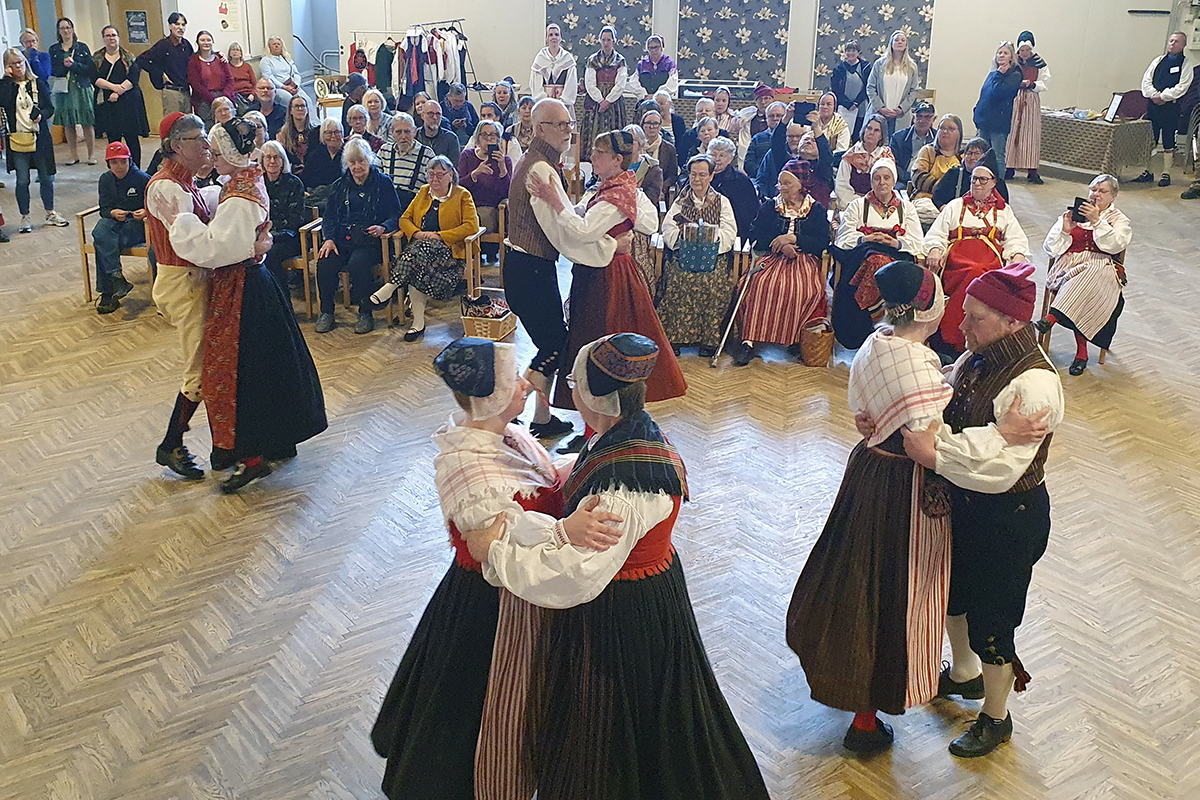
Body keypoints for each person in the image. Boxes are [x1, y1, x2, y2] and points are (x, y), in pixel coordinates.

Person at [463, 332, 770, 800]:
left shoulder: (623, 487)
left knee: (610, 727)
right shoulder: (626, 432)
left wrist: (496, 552)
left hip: (622, 615)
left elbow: (573, 576)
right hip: (645, 594)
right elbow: (587, 477)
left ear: (592, 395)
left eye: (574, 382)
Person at [371, 335, 623, 800]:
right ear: (489, 397)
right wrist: (568, 528)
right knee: (488, 704)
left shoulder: (506, 435)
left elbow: (540, 483)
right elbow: (506, 544)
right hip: (493, 604)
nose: (526, 385)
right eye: (513, 380)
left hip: (527, 587)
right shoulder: (469, 468)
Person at [788, 261, 956, 753]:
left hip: (868, 469)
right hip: (902, 487)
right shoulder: (917, 365)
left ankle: (857, 698)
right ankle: (868, 714)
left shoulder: (877, 342)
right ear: (928, 307)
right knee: (892, 591)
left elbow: (863, 407)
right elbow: (930, 434)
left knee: (855, 579)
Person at [899, 263, 1063, 759]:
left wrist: (936, 452)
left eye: (975, 318)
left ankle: (996, 716)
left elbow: (1000, 469)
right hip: (969, 507)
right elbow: (942, 404)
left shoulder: (1035, 386)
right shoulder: (978, 356)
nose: (961, 328)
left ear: (1013, 322)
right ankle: (965, 674)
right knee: (956, 596)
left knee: (994, 621)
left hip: (1009, 517)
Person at [159, 118, 326, 492]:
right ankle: (273, 443)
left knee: (240, 374)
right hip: (253, 284)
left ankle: (250, 457)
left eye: (217, 152)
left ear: (233, 154)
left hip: (241, 289)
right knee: (265, 369)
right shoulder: (245, 182)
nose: (212, 157)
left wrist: (182, 223)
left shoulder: (238, 199)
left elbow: (218, 249)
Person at [529, 130, 686, 435]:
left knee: (603, 345)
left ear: (617, 159)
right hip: (599, 270)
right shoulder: (614, 187)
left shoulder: (618, 194)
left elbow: (586, 230)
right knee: (593, 342)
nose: (593, 155)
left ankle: (603, 429)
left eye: (600, 152)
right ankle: (597, 427)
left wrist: (555, 202)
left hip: (610, 275)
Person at [143, 111, 218, 480]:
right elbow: (192, 242)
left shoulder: (186, 183)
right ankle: (171, 443)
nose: (206, 145)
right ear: (175, 146)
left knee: (213, 362)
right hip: (182, 280)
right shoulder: (165, 187)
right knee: (200, 370)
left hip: (196, 276)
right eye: (197, 139)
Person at [501, 97, 576, 438]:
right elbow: (558, 228)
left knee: (552, 343)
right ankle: (505, 413)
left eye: (569, 123)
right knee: (555, 344)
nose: (569, 130)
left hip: (527, 267)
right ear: (540, 128)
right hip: (530, 269)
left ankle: (541, 419)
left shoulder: (541, 161)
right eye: (561, 124)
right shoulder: (540, 168)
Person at [923, 152, 1029, 355]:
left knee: (983, 275)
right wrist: (935, 248)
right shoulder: (955, 206)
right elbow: (936, 233)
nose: (977, 184)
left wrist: (1017, 256)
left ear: (993, 183)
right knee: (974, 272)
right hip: (958, 262)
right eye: (974, 179)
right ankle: (952, 339)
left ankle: (978, 338)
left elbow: (1016, 239)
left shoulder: (1003, 211)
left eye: (983, 180)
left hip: (990, 262)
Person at [732, 159, 832, 367]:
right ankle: (748, 341)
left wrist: (794, 239)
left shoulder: (816, 210)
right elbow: (755, 233)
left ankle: (796, 340)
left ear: (801, 185)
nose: (781, 187)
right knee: (758, 284)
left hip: (803, 259)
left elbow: (822, 242)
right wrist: (778, 243)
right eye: (780, 183)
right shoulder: (771, 206)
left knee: (802, 288)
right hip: (772, 257)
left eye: (787, 183)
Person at [1035, 174, 1132, 375]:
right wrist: (1064, 231)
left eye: (1102, 191)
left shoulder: (1119, 221)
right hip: (1069, 268)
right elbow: (1050, 249)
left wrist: (1097, 221)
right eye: (1093, 190)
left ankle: (1052, 318)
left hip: (1102, 268)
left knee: (1091, 274)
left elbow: (1114, 245)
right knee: (1084, 280)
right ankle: (1081, 354)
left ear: (1113, 196)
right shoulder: (1071, 215)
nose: (1096, 195)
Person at [373, 155, 478, 341]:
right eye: (430, 175)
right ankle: (417, 324)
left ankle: (391, 287)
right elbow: (404, 219)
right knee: (419, 257)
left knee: (418, 254)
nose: (434, 179)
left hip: (450, 253)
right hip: (420, 254)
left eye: (439, 175)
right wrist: (416, 233)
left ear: (451, 176)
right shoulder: (423, 192)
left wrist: (440, 236)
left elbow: (471, 226)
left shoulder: (462, 195)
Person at [832, 158, 924, 349]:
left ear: (893, 180)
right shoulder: (858, 205)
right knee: (876, 260)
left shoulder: (906, 208)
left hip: (896, 258)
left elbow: (917, 241)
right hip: (862, 257)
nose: (882, 182)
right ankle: (881, 319)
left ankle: (868, 317)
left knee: (881, 262)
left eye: (886, 178)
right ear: (871, 181)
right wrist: (865, 239)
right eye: (877, 178)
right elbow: (843, 237)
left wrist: (895, 242)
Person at [314, 138, 402, 334]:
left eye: (361, 161)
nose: (357, 166)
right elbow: (328, 217)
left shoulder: (383, 183)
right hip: (341, 238)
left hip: (371, 241)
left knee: (358, 263)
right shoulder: (339, 185)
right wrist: (328, 238)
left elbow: (396, 215)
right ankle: (326, 312)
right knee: (325, 261)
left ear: (369, 160)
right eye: (352, 162)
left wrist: (383, 227)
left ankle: (365, 313)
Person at [658, 154, 740, 358]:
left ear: (711, 176)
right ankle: (675, 337)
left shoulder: (722, 202)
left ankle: (709, 340)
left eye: (702, 174)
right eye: (693, 174)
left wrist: (708, 240)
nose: (697, 179)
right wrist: (684, 240)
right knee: (678, 279)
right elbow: (668, 228)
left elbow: (730, 232)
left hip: (713, 256)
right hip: (684, 254)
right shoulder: (681, 201)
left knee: (714, 282)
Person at [1, 48, 69, 232]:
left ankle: (50, 212)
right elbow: (4, 102)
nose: (18, 67)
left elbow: (49, 108)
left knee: (46, 177)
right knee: (22, 180)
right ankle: (25, 217)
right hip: (17, 138)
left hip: (39, 137)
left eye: (20, 62)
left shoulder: (36, 83)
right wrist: (6, 79)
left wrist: (41, 115)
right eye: (13, 64)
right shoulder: (6, 85)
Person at [92, 141, 150, 314]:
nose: (119, 166)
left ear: (129, 161)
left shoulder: (142, 179)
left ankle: (108, 291)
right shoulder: (105, 180)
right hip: (116, 225)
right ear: (108, 164)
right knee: (101, 231)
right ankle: (116, 279)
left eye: (123, 162)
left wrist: (146, 211)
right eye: (114, 162)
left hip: (138, 227)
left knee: (101, 241)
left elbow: (156, 204)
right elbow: (104, 209)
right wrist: (112, 212)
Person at [1135, 32, 1195, 187]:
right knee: (1150, 139)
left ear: (1183, 45)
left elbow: (1182, 87)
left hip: (1171, 108)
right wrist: (1153, 95)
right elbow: (1146, 80)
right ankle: (1147, 171)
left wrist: (1164, 96)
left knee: (1168, 140)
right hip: (1153, 106)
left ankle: (1166, 174)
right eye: (1171, 41)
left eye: (1176, 42)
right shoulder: (1158, 61)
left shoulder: (1186, 65)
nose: (1172, 44)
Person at [92, 25, 150, 169]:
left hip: (129, 102)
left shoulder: (128, 57)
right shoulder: (97, 58)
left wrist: (118, 91)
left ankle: (135, 168)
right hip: (108, 103)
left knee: (132, 138)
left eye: (114, 35)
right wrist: (113, 88)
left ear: (118, 37)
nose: (111, 38)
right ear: (103, 39)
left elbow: (133, 77)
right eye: (108, 36)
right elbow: (94, 78)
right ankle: (115, 168)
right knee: (113, 138)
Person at [758, 104, 833, 205]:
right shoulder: (787, 163)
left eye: (813, 140)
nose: (809, 142)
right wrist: (786, 118)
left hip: (813, 214)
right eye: (805, 139)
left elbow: (826, 154)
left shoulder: (823, 170)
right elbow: (776, 143)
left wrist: (816, 127)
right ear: (798, 147)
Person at [459, 120, 512, 263]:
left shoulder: (505, 160)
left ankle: (487, 252)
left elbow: (507, 193)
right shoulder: (467, 156)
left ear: (498, 139)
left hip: (493, 207)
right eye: (485, 135)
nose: (489, 139)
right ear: (477, 138)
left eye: (493, 136)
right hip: (469, 205)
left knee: (487, 215)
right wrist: (474, 174)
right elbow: (459, 186)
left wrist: (502, 168)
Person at [261, 140, 307, 293]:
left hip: (290, 237)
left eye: (276, 157)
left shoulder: (294, 183)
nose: (272, 161)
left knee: (270, 255)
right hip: (263, 236)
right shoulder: (257, 184)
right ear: (262, 161)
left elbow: (295, 220)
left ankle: (281, 299)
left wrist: (269, 229)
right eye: (268, 157)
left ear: (282, 161)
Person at [49, 17, 96, 165]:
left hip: (82, 87)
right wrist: (64, 66)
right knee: (68, 123)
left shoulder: (82, 47)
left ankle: (91, 155)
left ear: (72, 29)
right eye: (62, 28)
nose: (66, 30)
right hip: (64, 89)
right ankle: (73, 154)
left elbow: (90, 69)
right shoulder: (54, 49)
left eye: (68, 27)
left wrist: (74, 65)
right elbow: (53, 70)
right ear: (58, 31)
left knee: (87, 122)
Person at [973, 42, 1023, 177]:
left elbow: (998, 92)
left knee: (997, 156)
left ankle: (998, 187)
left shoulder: (1015, 75)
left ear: (1011, 58)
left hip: (998, 123)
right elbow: (985, 94)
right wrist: (976, 112)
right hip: (984, 121)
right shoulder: (993, 73)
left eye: (1005, 53)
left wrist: (999, 76)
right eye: (999, 52)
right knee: (980, 155)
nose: (1001, 55)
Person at [581, 26, 628, 161]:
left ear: (614, 41)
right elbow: (589, 82)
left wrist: (608, 100)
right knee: (594, 129)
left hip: (614, 102)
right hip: (596, 101)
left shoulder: (620, 60)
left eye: (609, 39)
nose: (606, 43)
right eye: (603, 40)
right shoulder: (593, 59)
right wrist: (600, 100)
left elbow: (621, 83)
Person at [1007, 32, 1049, 184]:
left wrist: (1032, 84)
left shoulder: (1039, 63)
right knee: (1011, 132)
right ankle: (1009, 167)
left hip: (1030, 98)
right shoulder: (1013, 62)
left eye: (1027, 50)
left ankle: (1032, 170)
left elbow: (1045, 82)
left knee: (1030, 134)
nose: (1025, 53)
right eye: (1022, 50)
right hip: (1014, 97)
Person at [910, 114, 963, 226]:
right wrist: (942, 188)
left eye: (951, 129)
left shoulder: (963, 157)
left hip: (953, 202)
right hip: (926, 199)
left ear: (959, 134)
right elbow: (918, 175)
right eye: (942, 128)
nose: (945, 131)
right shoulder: (928, 151)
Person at [864, 30, 920, 138]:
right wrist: (880, 107)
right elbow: (870, 87)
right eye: (897, 40)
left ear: (906, 45)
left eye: (903, 40)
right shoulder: (879, 64)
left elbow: (914, 91)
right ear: (891, 43)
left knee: (897, 145)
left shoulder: (912, 67)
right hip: (879, 113)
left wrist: (902, 108)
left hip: (900, 116)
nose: (900, 42)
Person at [136, 12, 193, 115]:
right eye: (177, 24)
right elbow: (141, 60)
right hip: (172, 92)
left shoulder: (186, 45)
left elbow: (195, 62)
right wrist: (159, 73)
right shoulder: (163, 45)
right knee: (172, 124)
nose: (180, 28)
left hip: (186, 91)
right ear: (170, 26)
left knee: (187, 125)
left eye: (183, 25)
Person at [835, 114, 893, 212]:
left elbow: (889, 186)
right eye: (869, 128)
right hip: (852, 205)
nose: (871, 133)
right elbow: (841, 186)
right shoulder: (850, 156)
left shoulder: (886, 157)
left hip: (879, 205)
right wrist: (861, 204)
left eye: (876, 130)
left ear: (881, 135)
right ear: (864, 130)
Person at [932, 136, 1009, 210]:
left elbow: (1004, 207)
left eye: (977, 153)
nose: (972, 157)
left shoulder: (996, 182)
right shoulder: (953, 174)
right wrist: (944, 208)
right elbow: (937, 198)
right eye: (969, 153)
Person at [378, 112, 433, 213]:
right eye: (399, 132)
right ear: (392, 132)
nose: (403, 137)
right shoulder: (384, 151)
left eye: (407, 132)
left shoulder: (426, 153)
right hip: (387, 208)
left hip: (415, 208)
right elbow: (375, 181)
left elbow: (432, 186)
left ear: (414, 131)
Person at [708, 136, 758, 240]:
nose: (717, 159)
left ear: (730, 159)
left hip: (734, 229)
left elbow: (749, 213)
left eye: (722, 155)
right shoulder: (702, 177)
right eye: (713, 154)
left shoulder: (741, 180)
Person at [186, 30, 233, 128]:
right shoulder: (193, 60)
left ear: (212, 42)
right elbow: (196, 84)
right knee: (209, 128)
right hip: (204, 99)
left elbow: (230, 79)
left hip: (224, 96)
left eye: (208, 40)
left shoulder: (220, 58)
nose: (206, 43)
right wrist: (214, 100)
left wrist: (224, 97)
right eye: (202, 40)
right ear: (198, 43)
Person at [530, 24, 578, 113]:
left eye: (556, 34)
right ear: (546, 39)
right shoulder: (540, 58)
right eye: (550, 35)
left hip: (564, 107)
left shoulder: (568, 59)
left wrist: (561, 102)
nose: (554, 37)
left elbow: (571, 85)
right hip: (544, 106)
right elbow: (536, 86)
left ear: (560, 38)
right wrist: (546, 101)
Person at [889, 99, 936, 187]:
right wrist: (910, 178)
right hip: (902, 180)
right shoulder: (898, 137)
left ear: (934, 119)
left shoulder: (937, 139)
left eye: (927, 117)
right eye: (919, 116)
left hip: (926, 180)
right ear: (914, 118)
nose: (922, 120)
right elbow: (893, 163)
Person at [302, 117, 345, 211]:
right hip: (317, 196)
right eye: (329, 133)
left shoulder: (347, 153)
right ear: (322, 135)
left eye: (337, 132)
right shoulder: (315, 154)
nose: (333, 136)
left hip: (340, 195)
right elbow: (305, 179)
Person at [832, 40, 870, 140]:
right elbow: (835, 90)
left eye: (853, 50)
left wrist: (856, 103)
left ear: (858, 52)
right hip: (844, 108)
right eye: (848, 50)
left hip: (861, 107)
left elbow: (869, 87)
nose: (850, 53)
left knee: (858, 135)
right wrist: (848, 104)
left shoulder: (866, 68)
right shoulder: (838, 69)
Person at [744, 101, 787, 186]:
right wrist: (764, 172)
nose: (775, 118)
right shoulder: (758, 138)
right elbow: (748, 163)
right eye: (771, 116)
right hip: (761, 180)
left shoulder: (791, 137)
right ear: (766, 119)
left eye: (779, 115)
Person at [259, 36, 310, 107]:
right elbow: (269, 77)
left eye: (278, 44)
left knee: (306, 100)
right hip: (278, 88)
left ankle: (311, 118)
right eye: (274, 44)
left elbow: (296, 74)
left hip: (292, 86)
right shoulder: (266, 60)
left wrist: (296, 85)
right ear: (269, 47)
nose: (276, 46)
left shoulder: (287, 59)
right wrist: (284, 87)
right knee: (291, 101)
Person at [734, 84, 776, 166]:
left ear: (772, 100)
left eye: (766, 98)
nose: (763, 102)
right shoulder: (749, 117)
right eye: (760, 99)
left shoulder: (778, 116)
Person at [277, 93, 318, 176]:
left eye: (303, 106)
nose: (300, 109)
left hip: (312, 174)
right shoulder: (282, 134)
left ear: (307, 110)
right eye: (296, 106)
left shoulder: (316, 132)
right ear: (290, 111)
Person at [639, 109, 677, 192]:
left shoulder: (669, 149)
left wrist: (661, 188)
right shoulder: (636, 146)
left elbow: (672, 176)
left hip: (659, 190)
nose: (651, 127)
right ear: (642, 125)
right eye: (648, 123)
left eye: (655, 123)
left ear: (660, 126)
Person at [634, 34, 678, 99]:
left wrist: (656, 96)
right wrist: (644, 95)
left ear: (662, 48)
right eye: (651, 48)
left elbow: (672, 85)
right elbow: (634, 83)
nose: (654, 50)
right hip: (644, 100)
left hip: (662, 101)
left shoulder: (669, 64)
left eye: (656, 47)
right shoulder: (642, 64)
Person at [442, 82, 479, 148]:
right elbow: (440, 133)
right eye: (456, 101)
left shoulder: (469, 106)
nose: (459, 104)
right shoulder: (441, 108)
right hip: (448, 145)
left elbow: (477, 130)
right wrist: (452, 126)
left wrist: (467, 125)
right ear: (449, 96)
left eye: (461, 101)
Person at [226, 42, 256, 111]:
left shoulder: (247, 66)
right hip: (235, 95)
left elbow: (254, 83)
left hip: (249, 94)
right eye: (233, 50)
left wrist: (252, 94)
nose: (235, 52)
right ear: (229, 54)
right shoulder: (226, 67)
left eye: (237, 50)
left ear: (241, 53)